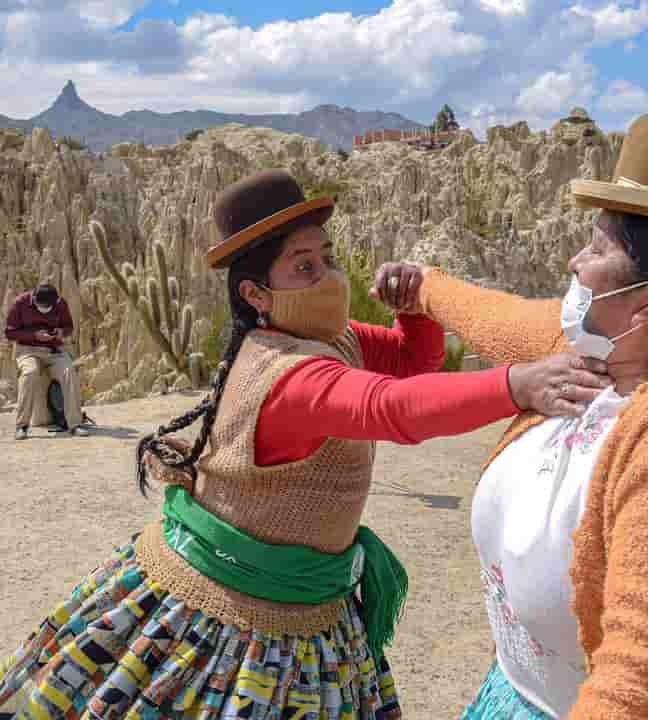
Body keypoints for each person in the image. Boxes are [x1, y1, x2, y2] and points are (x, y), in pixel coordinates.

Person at [0, 170, 608, 720]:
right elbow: (390, 408)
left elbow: (410, 365)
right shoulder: (288, 374)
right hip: (237, 612)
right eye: (303, 267)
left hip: (299, 599)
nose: (329, 278)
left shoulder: (326, 338)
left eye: (329, 258)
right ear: (256, 295)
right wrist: (517, 383)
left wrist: (414, 312)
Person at [407, 111, 648, 719]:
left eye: (598, 246)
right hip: (516, 691)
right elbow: (491, 315)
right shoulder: (594, 352)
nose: (576, 262)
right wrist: (422, 287)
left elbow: (642, 678)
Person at [4, 282, 89, 439]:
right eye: (41, 306)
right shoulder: (20, 303)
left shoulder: (60, 303)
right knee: (30, 373)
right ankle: (21, 426)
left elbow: (69, 327)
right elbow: (9, 333)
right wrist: (34, 335)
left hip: (53, 350)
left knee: (69, 371)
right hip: (28, 350)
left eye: (48, 306)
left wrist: (61, 332)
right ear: (34, 299)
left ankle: (75, 424)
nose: (45, 309)